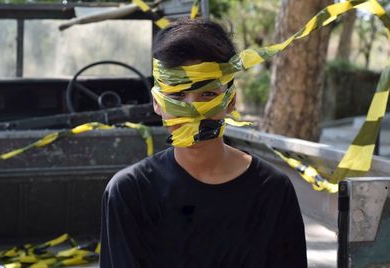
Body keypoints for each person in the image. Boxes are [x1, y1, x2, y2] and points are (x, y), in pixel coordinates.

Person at [100, 18, 307, 268]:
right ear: (157, 102)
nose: (192, 110)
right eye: (177, 95)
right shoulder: (129, 193)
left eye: (207, 94)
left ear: (231, 101)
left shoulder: (272, 190)